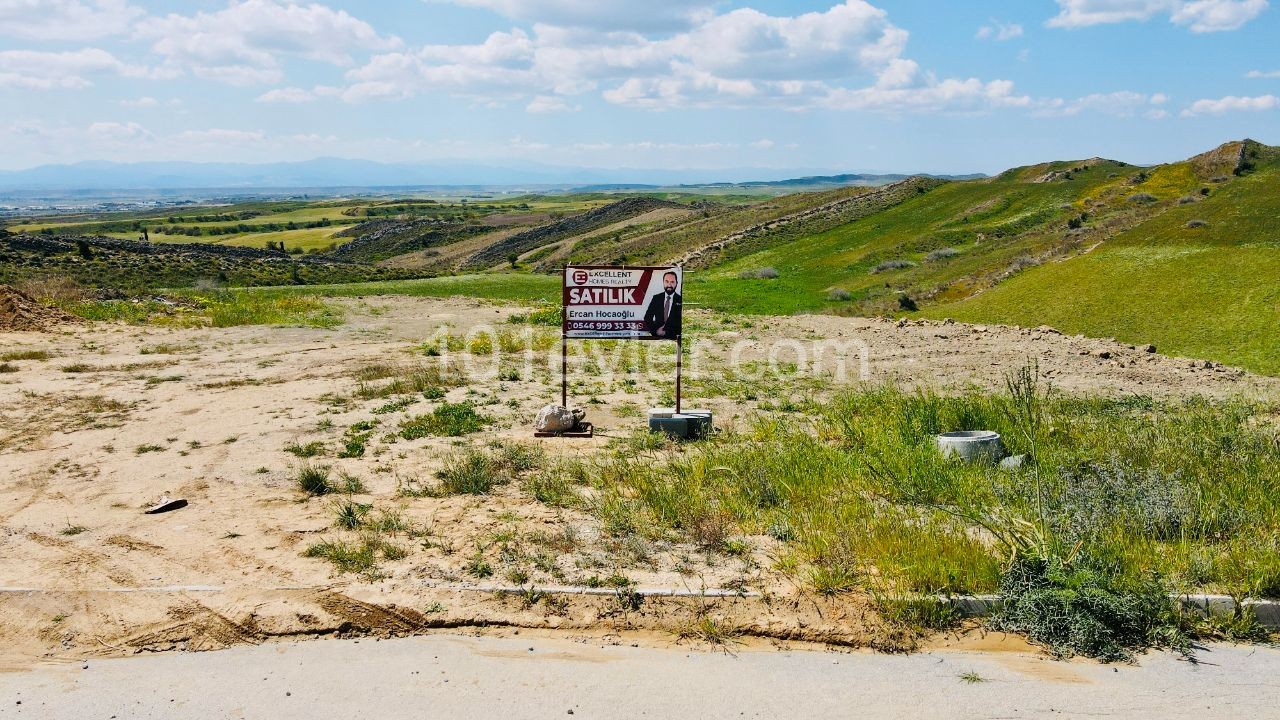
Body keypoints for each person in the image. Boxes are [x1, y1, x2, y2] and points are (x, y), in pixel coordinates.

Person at [643, 270, 682, 340]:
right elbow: (647, 317)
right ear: (663, 282)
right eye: (666, 281)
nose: (669, 285)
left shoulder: (680, 300)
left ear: (677, 283)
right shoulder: (656, 298)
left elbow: (681, 322)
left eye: (672, 282)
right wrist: (655, 332)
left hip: (675, 337)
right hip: (657, 338)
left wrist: (666, 333)